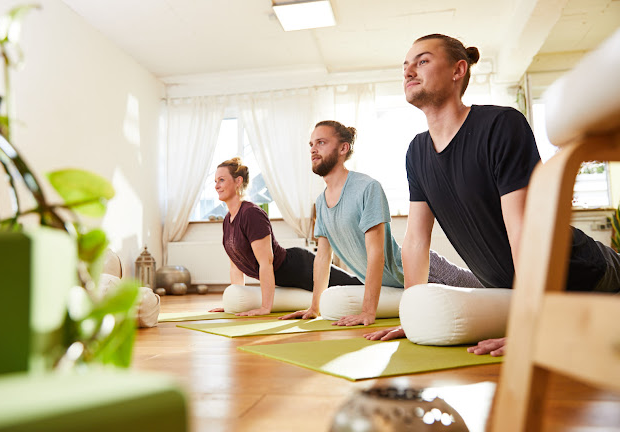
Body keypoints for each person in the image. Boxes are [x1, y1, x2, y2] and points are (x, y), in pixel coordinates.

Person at [364, 34, 620, 355]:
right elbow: (416, 240)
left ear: (458, 70)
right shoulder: (417, 151)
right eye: (406, 65)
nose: (409, 71)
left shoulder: (501, 124)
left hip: (585, 273)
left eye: (423, 61)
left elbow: (522, 228)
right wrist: (412, 315)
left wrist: (532, 323)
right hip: (513, 289)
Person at [280, 120, 483, 326]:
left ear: (343, 148)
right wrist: (315, 308)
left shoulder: (367, 188)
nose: (313, 149)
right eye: (311, 144)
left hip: (427, 271)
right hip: (394, 286)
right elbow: (323, 257)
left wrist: (368, 312)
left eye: (321, 142)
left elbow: (375, 253)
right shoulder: (321, 203)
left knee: (491, 294)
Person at [208, 157, 363, 316]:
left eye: (221, 180)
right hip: (287, 276)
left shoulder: (251, 214)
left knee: (352, 285)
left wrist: (265, 308)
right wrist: (234, 304)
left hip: (300, 267)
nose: (216, 186)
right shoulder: (228, 220)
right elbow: (235, 266)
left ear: (238, 181)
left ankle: (385, 283)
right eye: (215, 181)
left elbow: (266, 263)